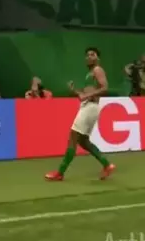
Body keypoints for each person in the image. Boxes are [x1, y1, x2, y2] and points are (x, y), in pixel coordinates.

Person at [46, 47, 116, 181]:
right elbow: (84, 95)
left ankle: (60, 172)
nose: (89, 57)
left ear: (98, 58)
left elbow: (105, 88)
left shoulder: (97, 70)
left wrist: (86, 96)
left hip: (90, 107)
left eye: (92, 55)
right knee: (83, 141)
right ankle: (107, 165)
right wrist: (75, 91)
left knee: (73, 138)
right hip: (89, 106)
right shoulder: (89, 74)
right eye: (87, 55)